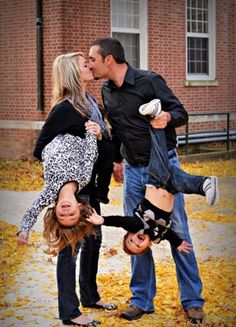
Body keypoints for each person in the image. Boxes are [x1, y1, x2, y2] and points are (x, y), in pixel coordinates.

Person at [88, 37, 207, 324]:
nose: (88, 64)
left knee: (178, 231)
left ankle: (192, 301)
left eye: (92, 59)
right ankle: (141, 300)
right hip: (132, 169)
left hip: (163, 167)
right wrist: (117, 159)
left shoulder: (149, 81)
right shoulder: (106, 90)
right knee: (136, 232)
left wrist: (167, 116)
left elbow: (181, 113)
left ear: (109, 60)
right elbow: (117, 130)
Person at [17, 52, 115, 326]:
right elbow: (40, 148)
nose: (90, 66)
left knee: (94, 242)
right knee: (70, 250)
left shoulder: (90, 103)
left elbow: (101, 143)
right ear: (73, 73)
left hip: (89, 183)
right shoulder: (64, 109)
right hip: (73, 187)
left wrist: (97, 137)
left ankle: (89, 296)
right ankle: (70, 313)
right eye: (84, 64)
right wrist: (67, 152)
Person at [87, 100, 218, 256]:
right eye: (137, 246)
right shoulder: (157, 236)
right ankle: (205, 184)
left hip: (156, 182)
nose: (136, 241)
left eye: (130, 240)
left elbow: (121, 221)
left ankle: (154, 115)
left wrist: (103, 220)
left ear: (130, 233)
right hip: (170, 187)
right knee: (185, 182)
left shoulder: (138, 225)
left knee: (158, 149)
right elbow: (169, 235)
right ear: (147, 245)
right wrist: (178, 244)